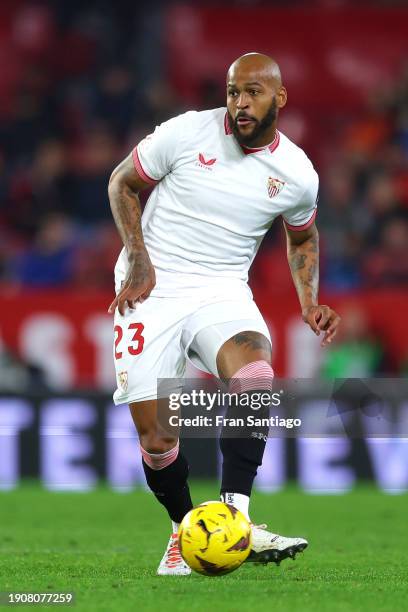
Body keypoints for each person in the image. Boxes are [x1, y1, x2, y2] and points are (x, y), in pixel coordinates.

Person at [107, 53, 341, 575]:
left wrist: (309, 302)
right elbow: (121, 183)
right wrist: (140, 264)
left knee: (255, 374)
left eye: (253, 92)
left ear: (279, 98)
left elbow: (302, 235)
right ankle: (182, 529)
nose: (239, 103)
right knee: (157, 437)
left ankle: (236, 518)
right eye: (233, 92)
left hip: (221, 286)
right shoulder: (188, 132)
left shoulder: (298, 174)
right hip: (154, 286)